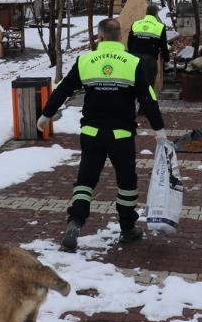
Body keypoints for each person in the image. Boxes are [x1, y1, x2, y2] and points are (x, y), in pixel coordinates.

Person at [37, 18, 167, 252]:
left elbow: (64, 88)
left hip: (91, 134)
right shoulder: (132, 62)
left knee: (85, 181)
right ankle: (128, 228)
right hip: (121, 136)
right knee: (127, 183)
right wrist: (159, 129)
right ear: (120, 37)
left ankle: (75, 222)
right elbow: (148, 98)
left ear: (100, 37)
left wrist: (46, 114)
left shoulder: (85, 60)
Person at [127, 4, 170, 88]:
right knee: (148, 87)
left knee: (134, 84)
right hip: (149, 60)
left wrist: (132, 52)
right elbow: (163, 45)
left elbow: (129, 42)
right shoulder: (160, 26)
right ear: (156, 13)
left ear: (146, 12)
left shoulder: (135, 24)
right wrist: (166, 59)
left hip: (134, 59)